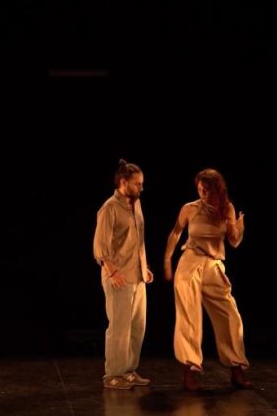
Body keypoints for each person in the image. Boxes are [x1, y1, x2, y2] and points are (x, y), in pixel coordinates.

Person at [163, 168, 253, 391]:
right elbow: (176, 232)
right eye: (200, 188)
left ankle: (236, 368)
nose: (202, 192)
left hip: (214, 265)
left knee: (230, 316)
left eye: (207, 189)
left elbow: (234, 241)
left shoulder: (227, 208)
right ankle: (189, 371)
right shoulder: (190, 208)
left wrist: (238, 227)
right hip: (190, 263)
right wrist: (167, 260)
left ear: (216, 189)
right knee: (189, 318)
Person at [93, 159, 154, 390]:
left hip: (137, 276)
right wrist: (112, 271)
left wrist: (144, 267)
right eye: (137, 184)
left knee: (137, 327)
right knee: (119, 328)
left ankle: (128, 370)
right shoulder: (109, 208)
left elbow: (136, 241)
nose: (141, 188)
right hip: (118, 276)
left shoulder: (135, 205)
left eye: (142, 184)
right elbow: (100, 246)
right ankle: (112, 375)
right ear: (123, 182)